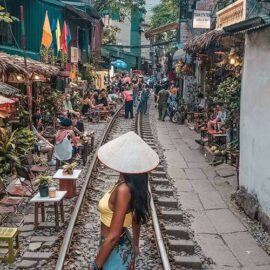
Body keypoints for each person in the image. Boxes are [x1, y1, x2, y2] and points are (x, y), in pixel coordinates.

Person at [88, 131, 159, 270]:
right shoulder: (128, 183)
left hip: (115, 247)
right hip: (115, 245)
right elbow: (135, 216)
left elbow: (113, 236)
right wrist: (135, 245)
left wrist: (95, 266)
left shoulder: (123, 189)